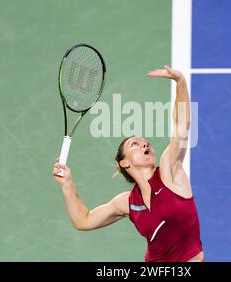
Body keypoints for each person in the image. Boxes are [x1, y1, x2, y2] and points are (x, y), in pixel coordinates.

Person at [52, 66, 204, 262]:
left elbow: (182, 124)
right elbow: (83, 220)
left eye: (145, 142)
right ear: (124, 163)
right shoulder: (127, 203)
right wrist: (67, 185)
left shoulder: (169, 171)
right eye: (135, 144)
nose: (144, 143)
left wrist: (181, 82)